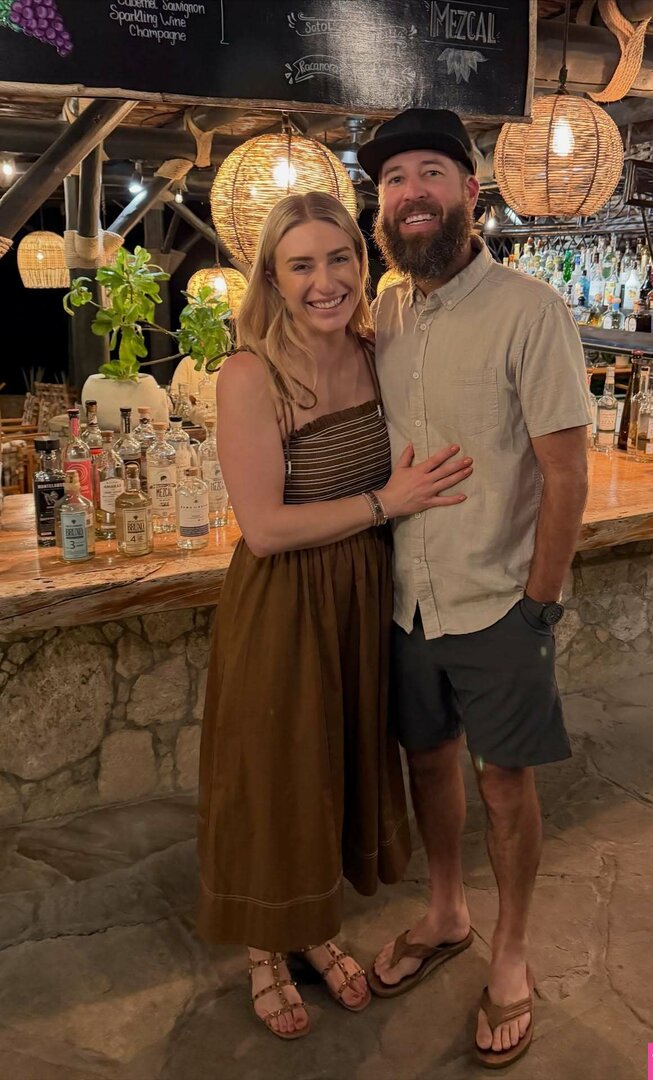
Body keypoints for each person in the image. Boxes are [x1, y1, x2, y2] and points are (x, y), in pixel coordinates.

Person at [196, 191, 473, 1040]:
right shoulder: (251, 374)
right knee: (277, 775)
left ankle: (312, 929)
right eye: (301, 265)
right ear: (272, 280)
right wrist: (387, 503)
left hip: (362, 592)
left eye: (339, 258)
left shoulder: (375, 348)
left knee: (330, 770)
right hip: (285, 602)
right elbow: (265, 528)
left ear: (363, 260)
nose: (325, 281)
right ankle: (265, 950)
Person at [358, 110, 593, 1068]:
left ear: (469, 192)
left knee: (504, 785)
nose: (410, 192)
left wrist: (539, 603)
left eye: (430, 172)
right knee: (428, 764)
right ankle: (448, 912)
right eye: (393, 180)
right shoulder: (385, 308)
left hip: (498, 597)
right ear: (381, 206)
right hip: (406, 598)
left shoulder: (531, 311)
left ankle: (512, 951)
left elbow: (566, 474)